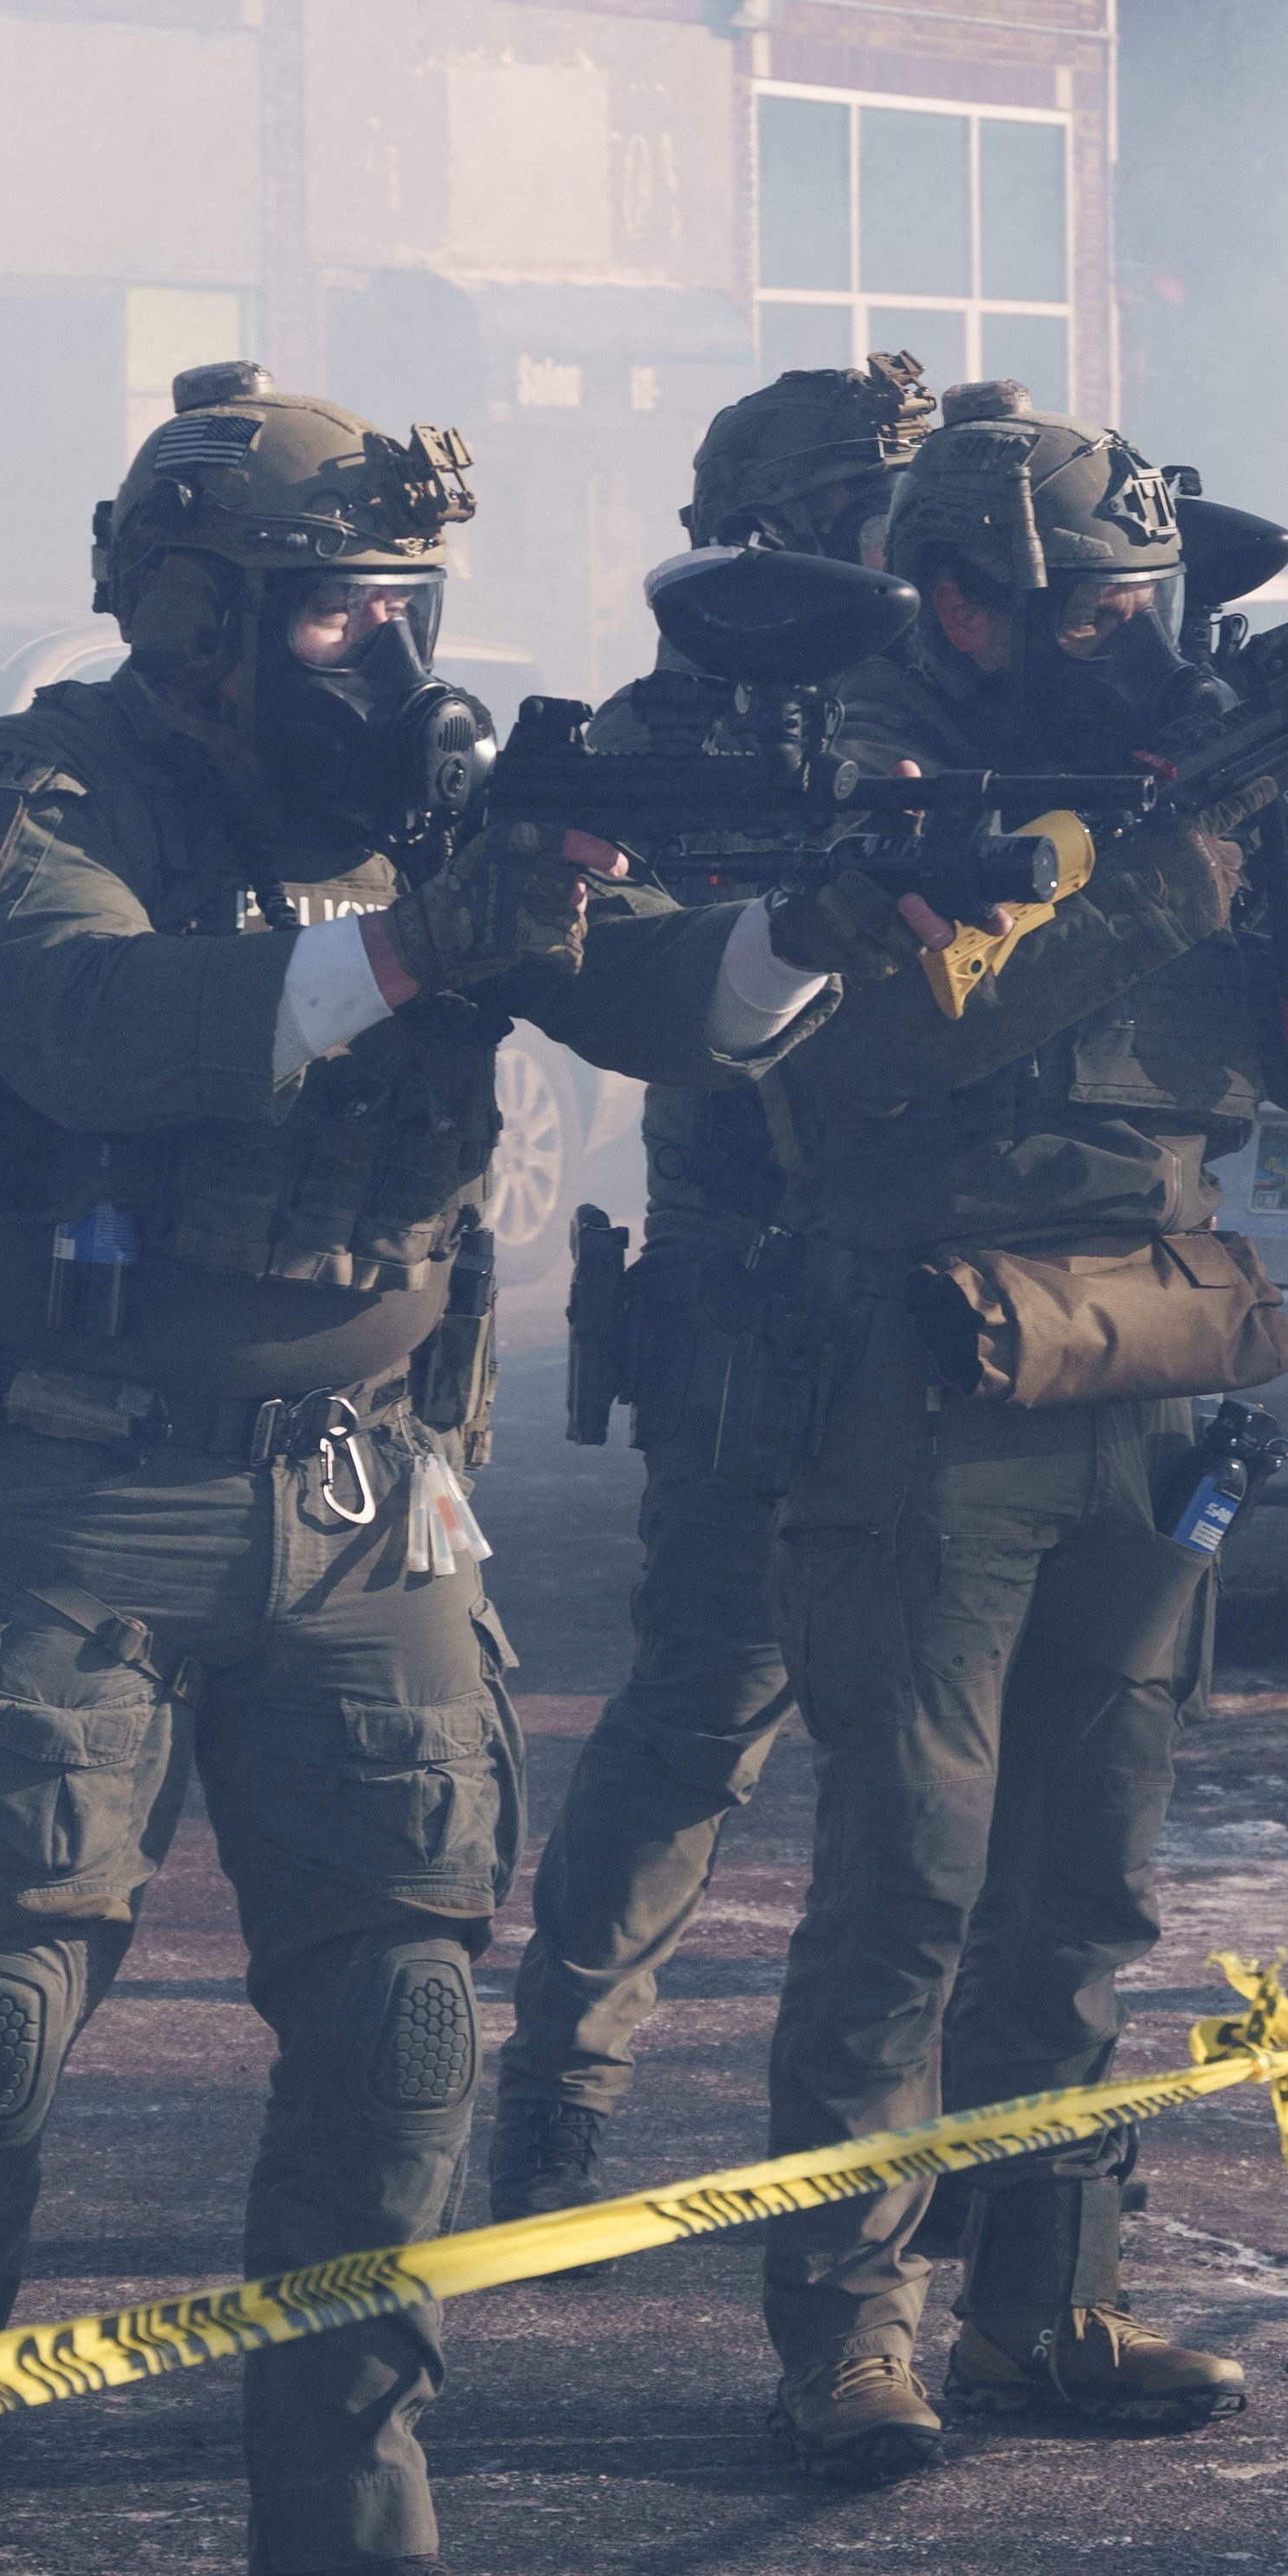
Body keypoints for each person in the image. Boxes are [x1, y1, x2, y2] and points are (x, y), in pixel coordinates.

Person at [0, 370, 829, 2576]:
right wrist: (415, 950)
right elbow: (103, 1027)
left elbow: (675, 1017)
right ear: (199, 613)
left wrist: (809, 921)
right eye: (334, 612)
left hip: (360, 1488)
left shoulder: (432, 805)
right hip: (80, 1479)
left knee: (405, 2016)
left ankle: (342, 2548)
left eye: (402, 609)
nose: (382, 657)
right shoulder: (28, 798)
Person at [734, 404, 1288, 2480]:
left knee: (1083, 1883)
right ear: (965, 600)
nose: (1142, 639)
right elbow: (894, 1036)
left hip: (1153, 1344)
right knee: (909, 1882)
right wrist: (1171, 861)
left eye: (1158, 603)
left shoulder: (1178, 772)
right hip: (924, 1370)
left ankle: (1043, 2301)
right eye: (1100, 605)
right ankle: (848, 2328)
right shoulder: (852, 762)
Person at [476, 351, 940, 2224]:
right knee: (697, 1722)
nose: (897, 542)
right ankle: (559, 2109)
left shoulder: (949, 708)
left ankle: (958, 2148)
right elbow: (659, 985)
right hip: (755, 1291)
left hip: (947, 1291)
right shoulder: (690, 737)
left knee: (942, 1756)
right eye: (869, 507)